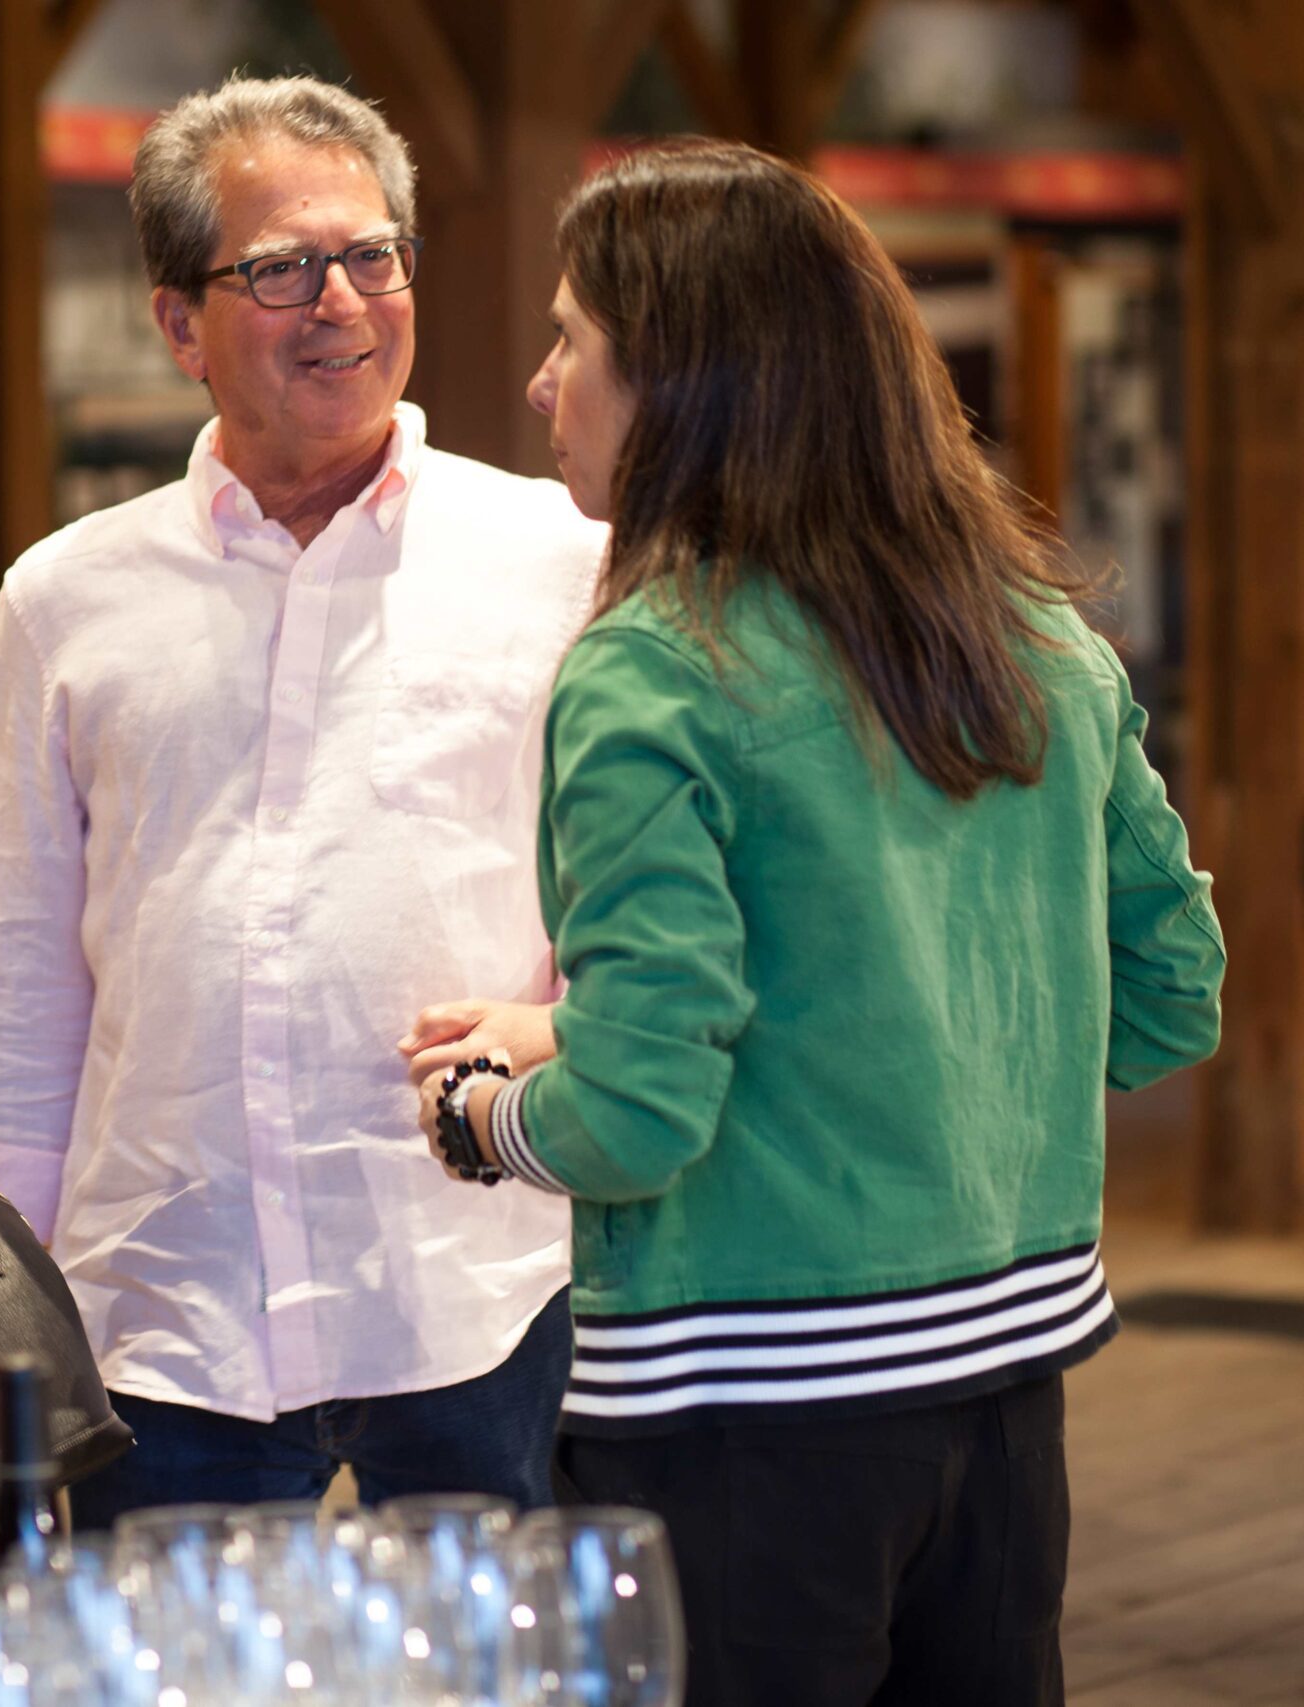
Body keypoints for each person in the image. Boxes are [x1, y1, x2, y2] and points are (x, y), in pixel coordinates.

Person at [406, 140, 1224, 1706]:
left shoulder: (654, 666)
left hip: (743, 1412)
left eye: (573, 338)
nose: (535, 380)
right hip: (1006, 1388)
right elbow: (1163, 995)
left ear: (683, 382)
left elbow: (640, 1118)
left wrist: (480, 1114)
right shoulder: (1042, 636)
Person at [0, 75, 607, 1524]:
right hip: (168, 1310)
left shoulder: (560, 556)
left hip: (482, 1288)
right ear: (177, 321)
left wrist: (577, 1034)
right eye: (282, 269)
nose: (344, 301)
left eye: (374, 254)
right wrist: (1, 1315)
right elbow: (21, 997)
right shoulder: (63, 599)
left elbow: (627, 905)